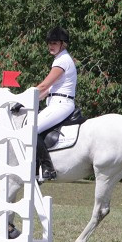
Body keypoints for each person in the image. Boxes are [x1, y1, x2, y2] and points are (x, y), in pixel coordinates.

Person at [32, 27, 77, 181]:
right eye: (49, 43)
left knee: (32, 129)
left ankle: (47, 168)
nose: (51, 46)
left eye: (54, 43)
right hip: (55, 102)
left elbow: (43, 86)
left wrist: (24, 98)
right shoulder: (59, 59)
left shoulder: (63, 60)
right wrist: (28, 102)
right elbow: (46, 91)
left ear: (63, 44)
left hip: (61, 103)